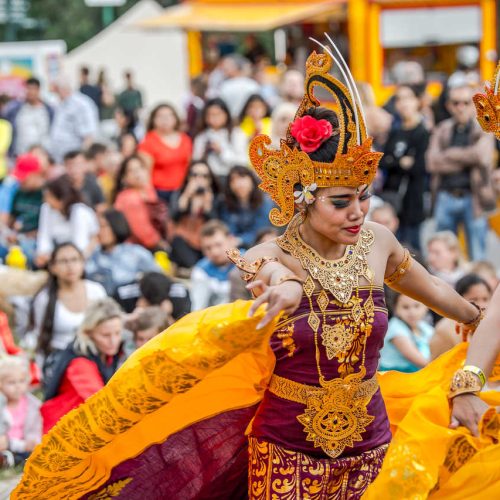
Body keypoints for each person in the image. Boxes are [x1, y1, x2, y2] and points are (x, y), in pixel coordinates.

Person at [10, 50, 487, 500]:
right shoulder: (270, 251)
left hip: (371, 446)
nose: (358, 211)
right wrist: (287, 289)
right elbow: (277, 275)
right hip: (288, 451)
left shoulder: (378, 241)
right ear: (301, 197)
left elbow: (433, 288)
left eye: (363, 196)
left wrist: (476, 316)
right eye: (341, 202)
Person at [426, 83, 496, 261]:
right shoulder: (442, 128)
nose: (460, 107)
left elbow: (482, 156)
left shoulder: (484, 127)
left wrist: (448, 155)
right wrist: (466, 158)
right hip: (445, 195)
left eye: (466, 102)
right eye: (456, 103)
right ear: (449, 105)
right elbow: (432, 162)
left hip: (473, 197)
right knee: (443, 255)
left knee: (477, 255)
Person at [40, 298, 125, 433]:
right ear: (89, 333)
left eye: (117, 333)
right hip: (63, 430)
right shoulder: (80, 362)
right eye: (105, 335)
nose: (113, 341)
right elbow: (99, 402)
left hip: (86, 424)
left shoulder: (108, 353)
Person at [26, 243, 107, 370]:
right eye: (63, 261)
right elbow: (38, 337)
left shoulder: (96, 290)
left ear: (82, 263)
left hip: (95, 357)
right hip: (60, 363)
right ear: (52, 267)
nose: (70, 266)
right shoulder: (44, 298)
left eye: (75, 260)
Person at [379, 84, 430, 251]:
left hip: (412, 201)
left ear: (417, 101)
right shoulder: (395, 132)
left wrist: (394, 161)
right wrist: (400, 161)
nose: (403, 103)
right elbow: (383, 161)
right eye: (399, 99)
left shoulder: (424, 132)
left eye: (408, 98)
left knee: (411, 251)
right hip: (392, 200)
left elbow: (419, 167)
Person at [86, 209, 160, 307]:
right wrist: (89, 249)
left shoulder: (136, 253)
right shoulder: (94, 254)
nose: (99, 231)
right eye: (99, 226)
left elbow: (158, 278)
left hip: (129, 305)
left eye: (104, 226)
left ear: (116, 225)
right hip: (100, 305)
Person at [35, 175, 99, 268]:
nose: (45, 200)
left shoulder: (80, 211)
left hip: (81, 256)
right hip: (56, 253)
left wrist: (58, 258)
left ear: (61, 200)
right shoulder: (46, 208)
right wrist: (43, 254)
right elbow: (44, 235)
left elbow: (81, 244)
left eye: (49, 197)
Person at [169, 160, 219, 270]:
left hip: (205, 244)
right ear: (188, 177)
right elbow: (173, 218)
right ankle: (197, 270)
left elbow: (216, 225)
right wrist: (186, 197)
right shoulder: (179, 194)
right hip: (184, 243)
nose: (199, 179)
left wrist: (207, 206)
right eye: (195, 175)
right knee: (177, 241)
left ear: (210, 180)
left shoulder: (216, 197)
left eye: (204, 176)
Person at [137, 103, 192, 204]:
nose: (165, 120)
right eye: (160, 116)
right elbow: (145, 172)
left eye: (168, 116)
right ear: (153, 120)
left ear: (175, 118)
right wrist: (150, 195)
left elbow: (189, 165)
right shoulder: (148, 141)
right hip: (160, 192)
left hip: (182, 191)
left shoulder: (185, 139)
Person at [430, 273, 492, 360]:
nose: (481, 305)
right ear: (459, 299)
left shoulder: (492, 325)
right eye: (474, 299)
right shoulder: (445, 331)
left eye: (485, 299)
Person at [113, 155, 168, 251]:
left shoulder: (148, 191)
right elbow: (143, 233)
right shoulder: (128, 198)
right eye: (131, 171)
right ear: (124, 178)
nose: (137, 173)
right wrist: (162, 244)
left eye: (140, 168)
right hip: (134, 249)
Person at [0, 153, 45, 265]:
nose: (21, 181)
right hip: (15, 239)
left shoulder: (46, 194)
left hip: (36, 242)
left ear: (36, 174)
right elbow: (11, 218)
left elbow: (48, 229)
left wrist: (25, 236)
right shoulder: (19, 191)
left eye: (25, 178)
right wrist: (8, 232)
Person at [217, 165, 273, 248]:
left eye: (242, 177)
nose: (238, 184)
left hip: (259, 245)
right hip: (233, 247)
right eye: (233, 180)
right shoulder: (226, 204)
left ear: (252, 180)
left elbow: (261, 231)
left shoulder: (264, 202)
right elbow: (228, 229)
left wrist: (240, 240)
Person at [0, 356, 42, 465]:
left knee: (32, 455)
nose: (18, 386)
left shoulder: (33, 405)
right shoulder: (2, 404)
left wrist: (31, 442)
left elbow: (35, 428)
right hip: (4, 444)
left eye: (21, 381)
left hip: (24, 445)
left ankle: (13, 460)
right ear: (1, 385)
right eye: (11, 383)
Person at [192, 98, 248, 179]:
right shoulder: (201, 137)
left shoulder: (237, 134)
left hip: (231, 178)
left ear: (226, 114)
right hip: (209, 179)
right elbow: (196, 160)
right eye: (210, 114)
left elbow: (242, 161)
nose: (214, 118)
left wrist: (221, 151)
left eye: (218, 114)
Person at [49, 75, 99, 163]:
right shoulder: (56, 103)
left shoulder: (82, 104)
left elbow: (89, 136)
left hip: (73, 158)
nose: (55, 93)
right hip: (57, 157)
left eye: (56, 89)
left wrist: (81, 158)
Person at [379, 292, 433, 372]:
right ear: (396, 309)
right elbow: (423, 363)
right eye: (405, 307)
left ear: (426, 307)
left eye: (417, 306)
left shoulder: (424, 327)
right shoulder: (396, 329)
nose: (412, 312)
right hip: (395, 379)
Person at [190, 220, 236, 311]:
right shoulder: (200, 270)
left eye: (218, 245)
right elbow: (197, 309)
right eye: (208, 248)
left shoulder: (247, 262)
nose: (214, 252)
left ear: (231, 240)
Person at [4, 76, 53, 157]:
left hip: (41, 155)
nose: (30, 92)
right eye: (28, 88)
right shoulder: (15, 109)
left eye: (33, 89)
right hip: (19, 154)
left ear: (38, 90)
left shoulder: (48, 110)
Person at [218, 54, 260, 119]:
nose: (224, 69)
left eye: (228, 66)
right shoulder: (252, 84)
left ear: (236, 67)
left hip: (240, 122)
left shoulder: (225, 86)